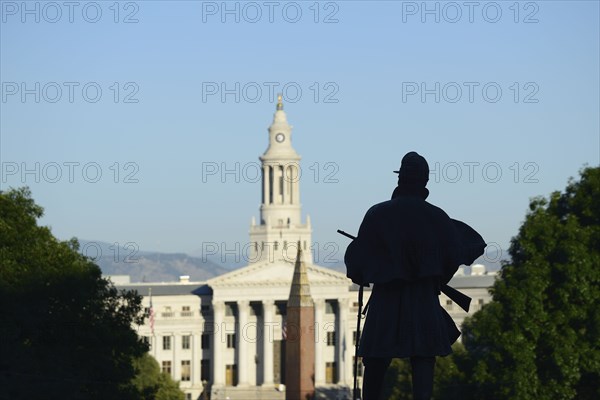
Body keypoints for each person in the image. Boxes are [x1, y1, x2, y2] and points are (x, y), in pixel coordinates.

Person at [344, 151, 485, 400]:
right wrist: (436, 280)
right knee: (423, 359)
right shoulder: (437, 217)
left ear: (400, 179)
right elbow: (454, 256)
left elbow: (357, 265)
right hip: (422, 298)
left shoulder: (377, 213)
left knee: (376, 360)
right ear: (425, 181)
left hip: (386, 298)